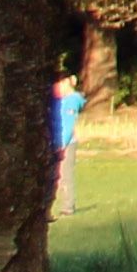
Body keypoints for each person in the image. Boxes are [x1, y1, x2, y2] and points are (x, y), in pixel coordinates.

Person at [49, 69, 82, 217]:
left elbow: (68, 124)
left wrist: (62, 144)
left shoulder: (72, 99)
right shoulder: (57, 101)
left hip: (66, 143)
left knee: (65, 174)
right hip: (54, 142)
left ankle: (68, 206)